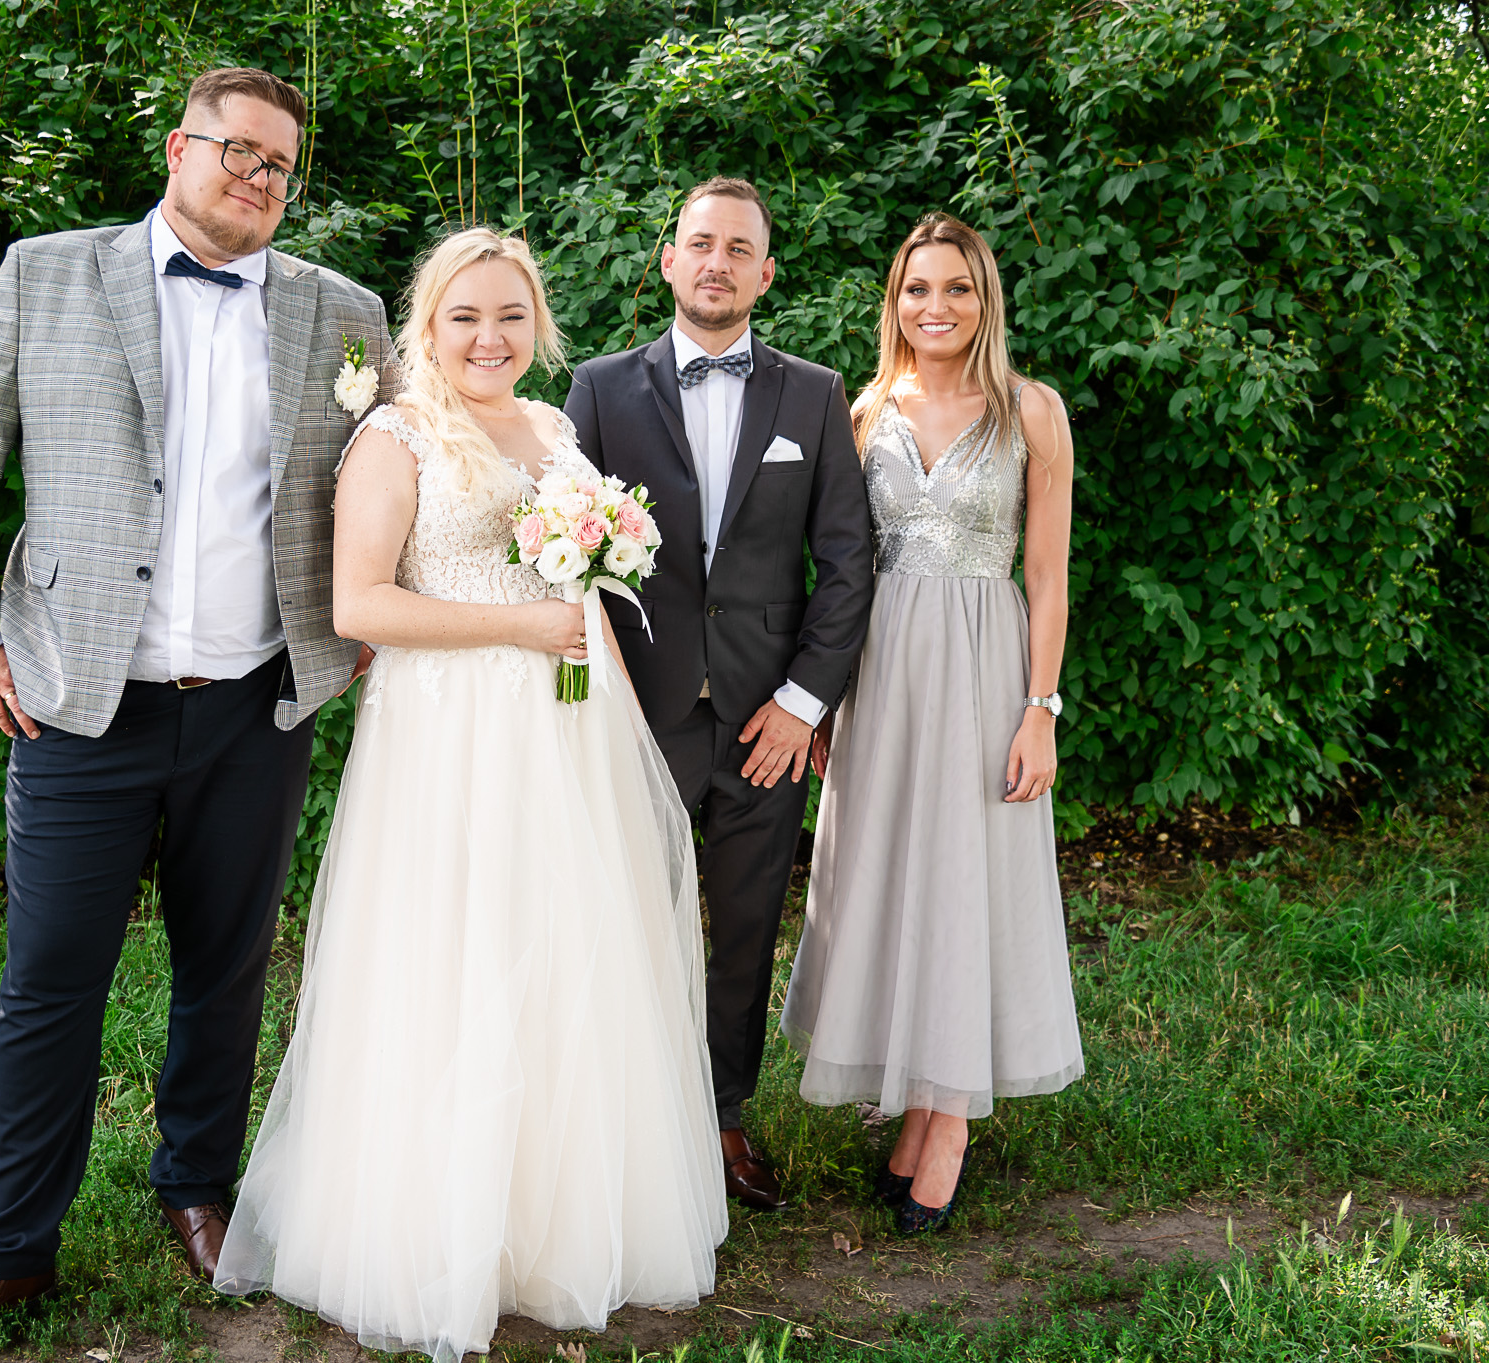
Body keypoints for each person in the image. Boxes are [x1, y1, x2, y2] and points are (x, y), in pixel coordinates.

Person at [0, 68, 396, 1363]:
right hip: (78, 704)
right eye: (239, 151)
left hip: (258, 702)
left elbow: (399, 473)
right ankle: (9, 1249)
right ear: (179, 148)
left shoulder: (346, 314)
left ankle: (197, 1186)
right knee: (49, 983)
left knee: (225, 969)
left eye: (280, 166)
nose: (260, 179)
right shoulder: (48, 273)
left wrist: (376, 613)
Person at [213, 228, 727, 1363]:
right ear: (427, 326)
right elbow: (359, 606)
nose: (489, 338)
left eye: (509, 316)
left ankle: (549, 1226)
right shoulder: (394, 436)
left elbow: (582, 595)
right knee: (456, 961)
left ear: (537, 324)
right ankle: (437, 1237)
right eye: (465, 317)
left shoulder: (552, 428)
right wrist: (518, 625)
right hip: (448, 740)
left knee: (561, 957)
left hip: (563, 733)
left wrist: (618, 721)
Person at [564, 178, 877, 1210]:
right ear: (668, 260)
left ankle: (723, 1117)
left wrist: (803, 701)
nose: (717, 263)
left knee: (742, 929)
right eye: (701, 243)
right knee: (625, 920)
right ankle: (625, 1120)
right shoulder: (600, 389)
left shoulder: (813, 395)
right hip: (636, 713)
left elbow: (847, 561)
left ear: (765, 273)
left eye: (739, 249)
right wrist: (598, 700)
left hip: (763, 721)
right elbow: (563, 561)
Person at [779, 211, 1084, 1234]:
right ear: (894, 301)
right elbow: (838, 569)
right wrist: (822, 695)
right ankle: (917, 1098)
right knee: (896, 872)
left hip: (985, 666)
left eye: (956, 287)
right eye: (917, 288)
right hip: (881, 672)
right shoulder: (864, 410)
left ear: (983, 298)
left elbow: (1047, 577)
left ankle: (948, 1120)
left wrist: (1039, 709)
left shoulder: (1031, 410)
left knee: (967, 876)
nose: (935, 306)